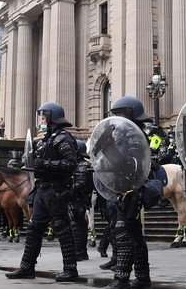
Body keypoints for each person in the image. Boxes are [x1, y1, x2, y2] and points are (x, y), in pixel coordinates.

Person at [5, 103, 79, 282]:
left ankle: (70, 269)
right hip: (42, 189)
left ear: (53, 118)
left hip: (57, 190)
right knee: (34, 228)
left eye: (44, 117)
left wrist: (45, 164)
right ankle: (27, 267)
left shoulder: (63, 139)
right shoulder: (46, 140)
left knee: (62, 227)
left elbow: (71, 164)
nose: (41, 121)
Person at [101, 96, 164, 289]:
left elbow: (133, 165)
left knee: (123, 232)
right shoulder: (122, 137)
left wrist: (112, 150)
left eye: (120, 114)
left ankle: (121, 279)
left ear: (131, 115)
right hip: (120, 189)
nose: (117, 119)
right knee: (134, 234)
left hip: (132, 191)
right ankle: (143, 278)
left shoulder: (136, 138)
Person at [70, 140, 93, 262]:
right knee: (80, 225)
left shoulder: (83, 165)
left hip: (79, 199)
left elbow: (81, 183)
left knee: (76, 225)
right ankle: (82, 252)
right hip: (76, 199)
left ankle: (79, 252)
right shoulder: (76, 164)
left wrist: (67, 189)